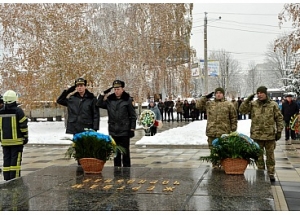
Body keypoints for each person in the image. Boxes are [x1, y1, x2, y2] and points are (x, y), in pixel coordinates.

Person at [239, 86, 284, 182]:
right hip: (257, 135)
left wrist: (279, 131)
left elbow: (279, 118)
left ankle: (271, 173)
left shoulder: (273, 105)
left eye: (261, 93)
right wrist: (247, 101)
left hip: (269, 136)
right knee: (258, 157)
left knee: (270, 156)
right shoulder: (253, 104)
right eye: (258, 93)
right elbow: (242, 110)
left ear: (265, 94)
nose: (259, 95)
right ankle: (261, 173)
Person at [96, 80, 137, 167]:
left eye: (118, 89)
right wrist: (103, 94)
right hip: (113, 130)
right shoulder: (110, 100)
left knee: (125, 153)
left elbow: (133, 116)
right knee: (116, 153)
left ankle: (126, 171)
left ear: (122, 89)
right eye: (115, 89)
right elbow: (98, 104)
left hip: (124, 130)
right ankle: (117, 170)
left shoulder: (127, 100)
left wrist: (132, 129)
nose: (116, 91)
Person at [196, 87, 237, 168]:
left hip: (224, 133)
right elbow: (198, 106)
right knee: (213, 152)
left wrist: (233, 130)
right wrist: (205, 97)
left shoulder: (229, 104)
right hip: (212, 132)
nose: (218, 95)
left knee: (224, 151)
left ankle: (224, 166)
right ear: (214, 94)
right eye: (217, 93)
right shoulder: (209, 104)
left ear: (223, 94)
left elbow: (233, 118)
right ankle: (215, 167)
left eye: (220, 93)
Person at [0, 90, 28, 181]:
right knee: (15, 161)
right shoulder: (18, 111)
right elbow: (23, 126)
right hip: (17, 142)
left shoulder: (1, 112)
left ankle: (7, 179)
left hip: (5, 142)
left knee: (6, 161)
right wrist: (25, 137)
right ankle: (14, 180)